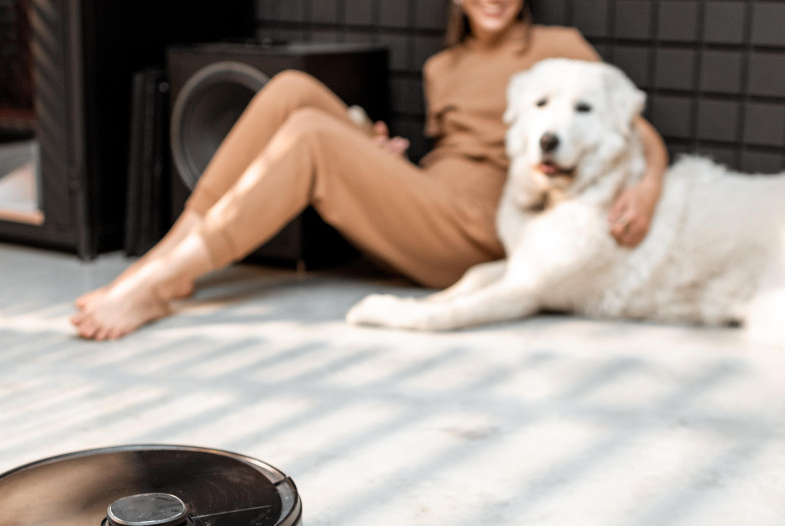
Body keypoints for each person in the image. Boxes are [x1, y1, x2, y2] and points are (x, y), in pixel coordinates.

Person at [71, 0, 669, 341]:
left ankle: (157, 278)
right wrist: (389, 170)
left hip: (480, 228)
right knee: (292, 89)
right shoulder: (443, 66)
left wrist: (647, 186)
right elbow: (456, 156)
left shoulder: (558, 44)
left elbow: (635, 125)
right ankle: (168, 263)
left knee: (311, 136)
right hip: (433, 200)